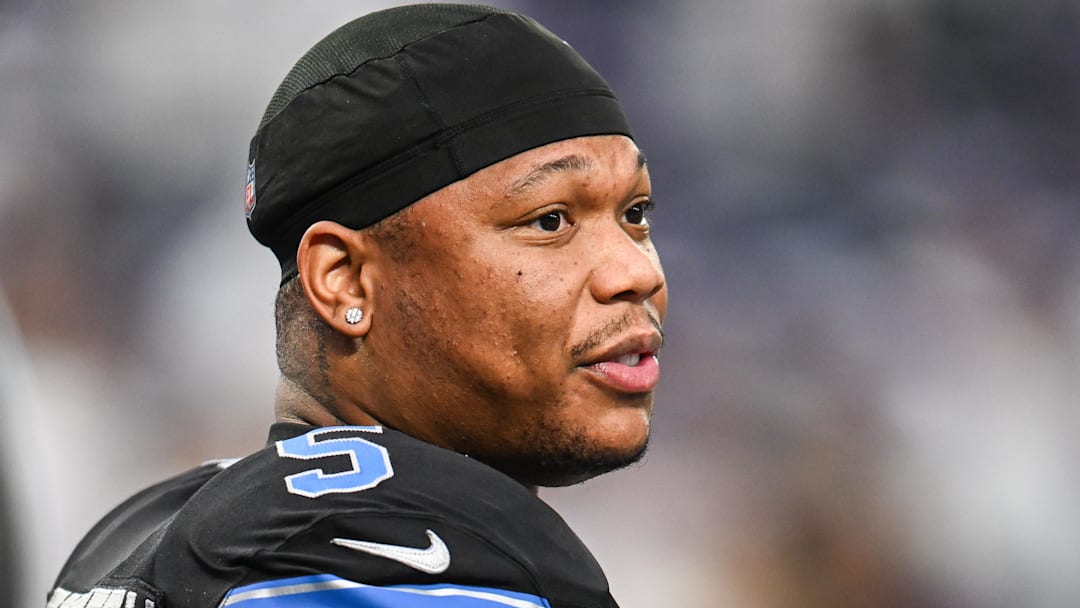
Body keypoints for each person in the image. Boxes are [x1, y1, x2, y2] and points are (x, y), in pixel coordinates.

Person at [47, 4, 667, 607]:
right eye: (550, 220)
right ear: (344, 280)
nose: (637, 273)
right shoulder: (389, 558)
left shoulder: (140, 528)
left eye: (634, 215)